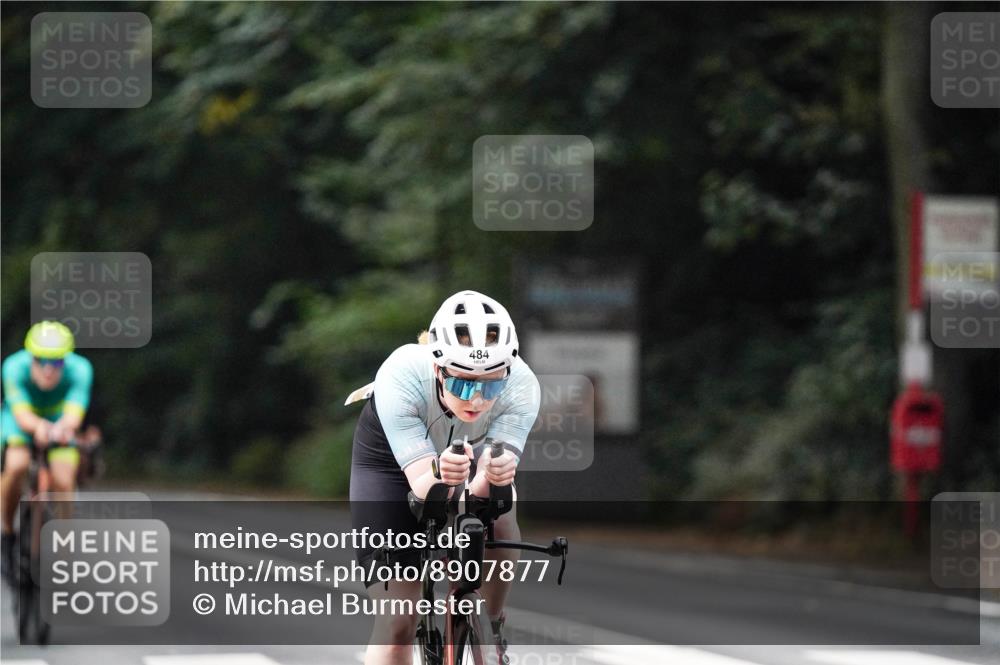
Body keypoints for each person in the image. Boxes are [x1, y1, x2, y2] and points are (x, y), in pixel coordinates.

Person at [348, 290, 540, 665]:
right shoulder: (401, 374)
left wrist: (494, 474)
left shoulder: (523, 386)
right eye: (463, 383)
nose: (478, 400)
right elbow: (423, 487)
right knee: (398, 622)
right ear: (438, 369)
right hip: (392, 466)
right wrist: (441, 474)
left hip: (466, 458)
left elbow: (487, 486)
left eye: (491, 384)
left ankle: (492, 626)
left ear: (508, 372)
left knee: (502, 509)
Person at [1, 321, 93, 583]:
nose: (49, 369)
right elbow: (21, 413)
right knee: (16, 466)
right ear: (31, 357)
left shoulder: (81, 369)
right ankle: (7, 533)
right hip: (21, 421)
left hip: (59, 422)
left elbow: (74, 414)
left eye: (57, 363)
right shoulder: (13, 367)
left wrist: (61, 430)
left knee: (64, 480)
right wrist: (40, 427)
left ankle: (64, 551)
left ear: (67, 359)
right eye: (41, 361)